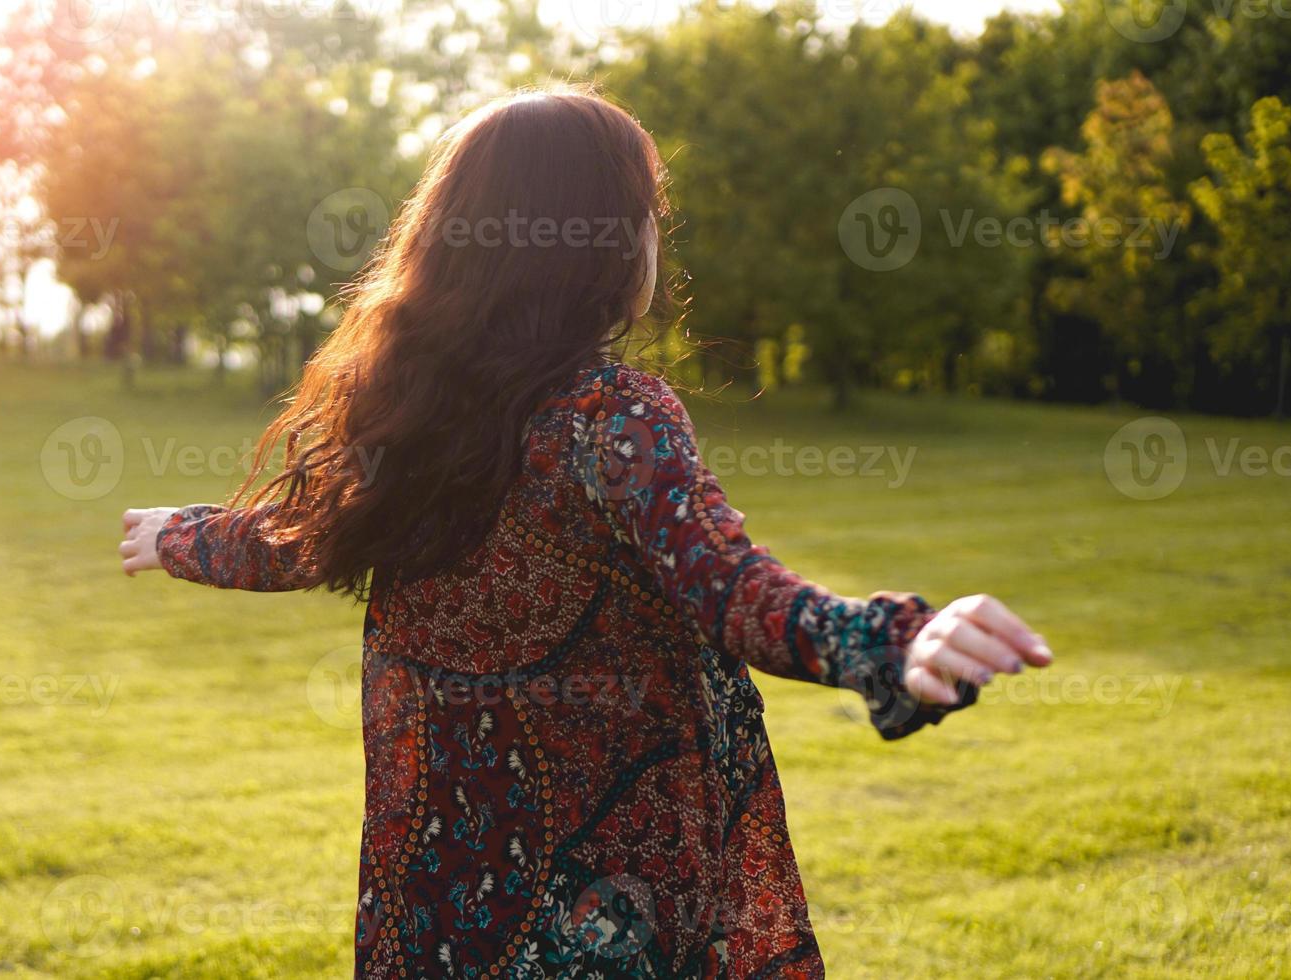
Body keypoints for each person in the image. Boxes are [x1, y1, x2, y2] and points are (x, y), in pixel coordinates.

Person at [119, 86, 1053, 978]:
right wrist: (888, 643)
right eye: (648, 211)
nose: (657, 237)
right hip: (607, 917)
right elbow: (729, 587)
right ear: (596, 243)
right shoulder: (610, 413)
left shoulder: (407, 410)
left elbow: (292, 539)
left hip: (440, 910)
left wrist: (179, 535)